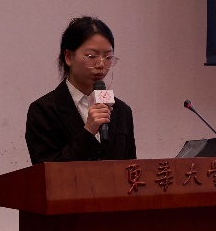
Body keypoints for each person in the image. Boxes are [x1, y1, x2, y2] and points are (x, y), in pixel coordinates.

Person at [26, 16, 137, 164]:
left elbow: (131, 168)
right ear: (69, 57)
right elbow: (47, 171)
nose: (101, 65)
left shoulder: (121, 111)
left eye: (108, 57)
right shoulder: (44, 110)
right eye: (91, 56)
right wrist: (88, 131)